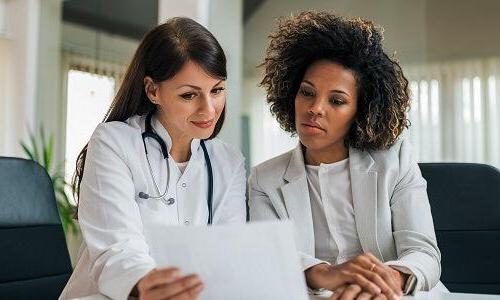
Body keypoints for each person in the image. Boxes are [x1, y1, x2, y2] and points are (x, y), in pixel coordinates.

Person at [250, 11, 445, 300]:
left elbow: (424, 253)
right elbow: (269, 258)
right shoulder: (264, 179)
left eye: (337, 100)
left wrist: (387, 279)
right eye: (307, 93)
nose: (315, 108)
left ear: (361, 111)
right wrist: (326, 273)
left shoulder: (395, 160)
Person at [60, 17, 246, 300]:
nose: (208, 109)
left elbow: (229, 251)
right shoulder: (114, 142)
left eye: (217, 90)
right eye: (189, 95)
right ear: (153, 90)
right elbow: (116, 249)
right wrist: (149, 285)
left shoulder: (228, 162)